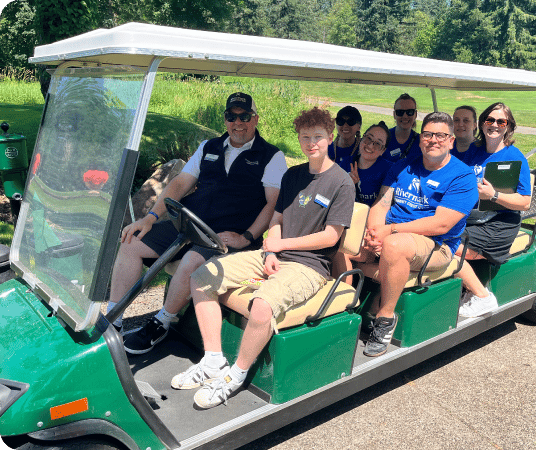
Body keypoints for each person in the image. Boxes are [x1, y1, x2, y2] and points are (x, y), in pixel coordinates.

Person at [169, 107, 355, 409]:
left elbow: (331, 237)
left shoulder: (342, 182)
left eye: (318, 137)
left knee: (262, 305)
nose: (311, 144)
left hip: (310, 266)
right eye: (305, 137)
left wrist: (281, 246)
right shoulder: (294, 175)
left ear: (330, 138)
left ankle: (236, 375)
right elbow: (276, 220)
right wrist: (269, 249)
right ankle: (214, 360)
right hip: (274, 253)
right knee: (203, 275)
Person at [108, 92, 288, 354]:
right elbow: (180, 184)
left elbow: (273, 204)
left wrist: (247, 237)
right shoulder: (209, 147)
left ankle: (162, 321)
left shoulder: (271, 156)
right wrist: (150, 218)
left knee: (192, 260)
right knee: (131, 242)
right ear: (225, 119)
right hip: (190, 224)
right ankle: (113, 322)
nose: (238, 122)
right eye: (231, 116)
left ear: (255, 119)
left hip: (228, 236)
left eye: (244, 116)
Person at [362, 112, 478, 357]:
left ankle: (384, 318)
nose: (433, 140)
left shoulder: (462, 176)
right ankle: (347, 310)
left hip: (437, 246)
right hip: (392, 235)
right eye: (427, 134)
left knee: (394, 246)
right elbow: (382, 205)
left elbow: (440, 225)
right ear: (420, 138)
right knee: (344, 239)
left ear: (451, 140)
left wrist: (389, 232)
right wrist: (374, 233)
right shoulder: (403, 166)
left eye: (440, 135)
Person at [455, 102, 532, 318]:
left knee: (449, 247)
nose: (494, 125)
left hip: (499, 222)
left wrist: (494, 195)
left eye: (501, 121)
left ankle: (482, 297)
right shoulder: (473, 151)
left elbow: (525, 202)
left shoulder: (515, 157)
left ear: (508, 126)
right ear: (482, 124)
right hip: (471, 218)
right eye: (490, 120)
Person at [331, 121, 393, 284]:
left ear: (383, 151)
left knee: (340, 251)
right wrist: (349, 187)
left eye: (377, 144)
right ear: (361, 139)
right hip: (343, 225)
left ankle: (345, 300)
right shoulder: (345, 163)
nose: (370, 146)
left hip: (370, 234)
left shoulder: (388, 169)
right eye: (368, 139)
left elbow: (382, 207)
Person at [381, 93, 421, 164]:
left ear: (415, 115)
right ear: (394, 115)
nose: (405, 116)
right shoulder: (383, 137)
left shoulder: (421, 142)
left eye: (410, 112)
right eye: (400, 112)